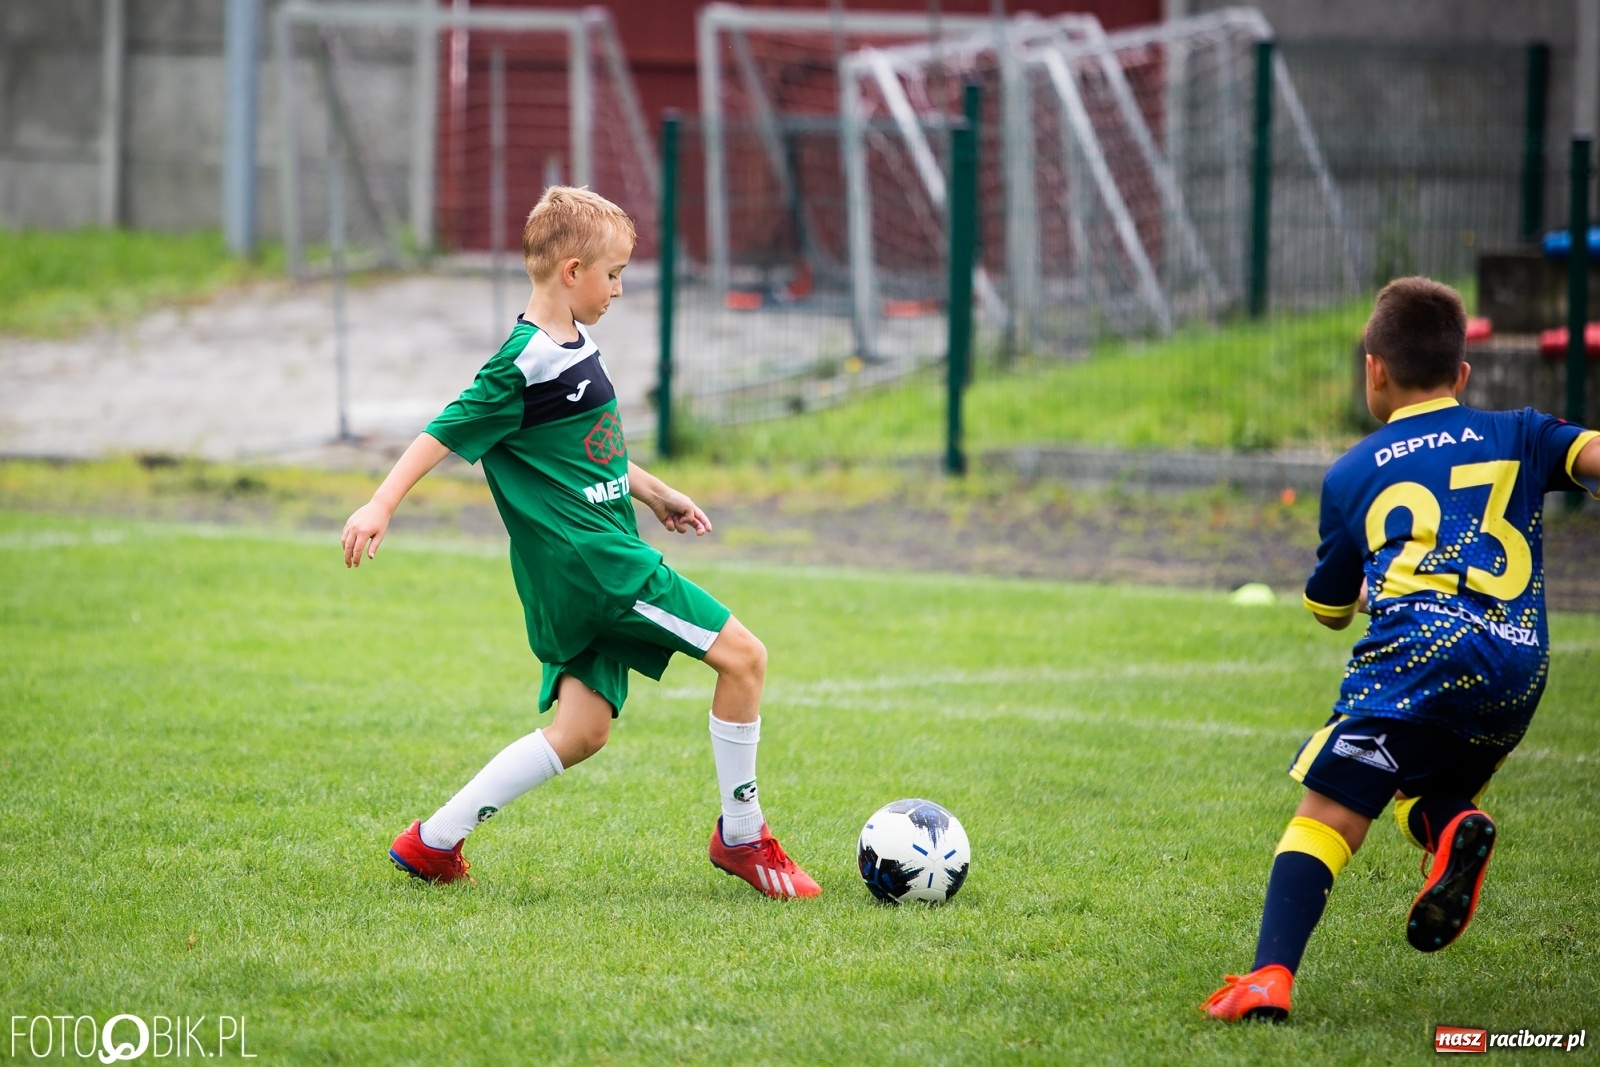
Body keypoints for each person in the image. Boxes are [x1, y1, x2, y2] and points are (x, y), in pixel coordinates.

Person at [340, 186, 819, 899]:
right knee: (744, 658)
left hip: (586, 562)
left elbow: (585, 452)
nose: (620, 288)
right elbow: (444, 427)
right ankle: (743, 836)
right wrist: (381, 502)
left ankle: (432, 841)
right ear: (571, 271)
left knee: (583, 730)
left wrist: (653, 491)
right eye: (613, 273)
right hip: (597, 567)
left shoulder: (572, 345)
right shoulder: (523, 360)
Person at [1204, 276, 1600, 1021]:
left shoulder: (1353, 471)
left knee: (1328, 811)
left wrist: (1368, 592)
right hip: (1516, 670)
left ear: (1373, 368)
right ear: (1463, 374)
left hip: (1414, 660)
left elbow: (1327, 607)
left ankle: (1267, 977)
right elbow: (1591, 456)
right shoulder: (1520, 430)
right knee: (1417, 787)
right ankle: (1455, 826)